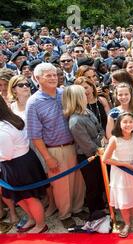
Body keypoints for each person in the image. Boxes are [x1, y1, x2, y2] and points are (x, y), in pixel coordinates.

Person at [26, 63, 86, 229]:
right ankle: (65, 214)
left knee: (77, 182)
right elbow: (35, 135)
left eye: (54, 74)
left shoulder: (64, 93)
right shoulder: (34, 103)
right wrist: (48, 157)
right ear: (37, 78)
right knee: (61, 186)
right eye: (48, 75)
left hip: (74, 145)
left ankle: (77, 208)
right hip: (54, 149)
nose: (53, 78)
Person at [0, 95, 48, 233]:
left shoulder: (2, 128)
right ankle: (32, 219)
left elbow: (6, 154)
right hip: (20, 162)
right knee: (19, 198)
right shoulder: (11, 119)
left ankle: (40, 225)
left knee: (29, 197)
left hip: (16, 165)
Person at [64, 85, 107, 220]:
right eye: (83, 94)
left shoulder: (87, 111)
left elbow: (100, 129)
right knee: (93, 186)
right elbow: (87, 145)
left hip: (98, 152)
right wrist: (100, 147)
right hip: (89, 157)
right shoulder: (75, 121)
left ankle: (102, 209)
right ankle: (96, 213)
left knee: (100, 183)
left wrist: (101, 141)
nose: (86, 95)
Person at [102, 112, 133, 238]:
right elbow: (106, 159)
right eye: (125, 122)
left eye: (130, 122)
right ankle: (127, 223)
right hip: (121, 173)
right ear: (119, 124)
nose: (128, 124)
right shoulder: (115, 139)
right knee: (124, 200)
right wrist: (126, 165)